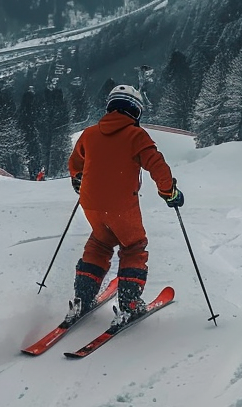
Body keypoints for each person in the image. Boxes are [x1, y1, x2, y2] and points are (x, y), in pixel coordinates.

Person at [63, 84, 184, 328]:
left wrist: (78, 180)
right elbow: (157, 165)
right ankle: (129, 305)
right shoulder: (135, 135)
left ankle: (82, 298)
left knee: (100, 242)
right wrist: (169, 192)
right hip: (121, 207)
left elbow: (75, 164)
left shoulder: (89, 134)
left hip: (91, 204)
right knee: (133, 246)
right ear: (136, 111)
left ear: (110, 106)